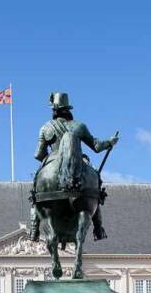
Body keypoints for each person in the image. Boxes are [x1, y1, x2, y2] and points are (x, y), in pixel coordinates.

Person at [30, 92, 118, 241]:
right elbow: (96, 146)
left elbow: (38, 154)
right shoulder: (79, 126)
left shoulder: (46, 128)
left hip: (52, 160)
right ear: (68, 109)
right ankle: (98, 229)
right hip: (78, 163)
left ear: (54, 110)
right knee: (95, 187)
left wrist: (48, 161)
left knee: (35, 193)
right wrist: (110, 142)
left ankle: (34, 229)